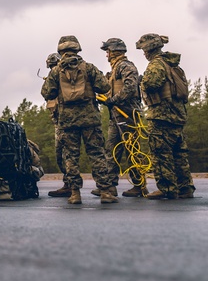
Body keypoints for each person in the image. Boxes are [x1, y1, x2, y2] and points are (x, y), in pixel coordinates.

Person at [41, 35, 116, 205]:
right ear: (77, 49)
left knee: (71, 157)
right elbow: (104, 87)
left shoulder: (55, 72)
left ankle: (75, 194)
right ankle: (105, 192)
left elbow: (47, 93)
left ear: (61, 51)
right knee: (97, 154)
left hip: (67, 121)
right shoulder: (89, 68)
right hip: (90, 118)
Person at [136, 33, 195, 200]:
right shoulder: (172, 63)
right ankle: (185, 187)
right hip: (177, 115)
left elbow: (151, 84)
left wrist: (141, 81)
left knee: (161, 153)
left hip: (161, 115)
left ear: (149, 48)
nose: (144, 53)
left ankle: (167, 188)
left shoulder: (156, 65)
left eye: (144, 50)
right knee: (179, 153)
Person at [99, 38, 147, 197]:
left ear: (114, 51)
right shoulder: (115, 69)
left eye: (108, 52)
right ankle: (109, 185)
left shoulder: (126, 66)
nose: (107, 56)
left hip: (128, 114)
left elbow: (130, 87)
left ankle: (139, 186)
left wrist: (113, 100)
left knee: (131, 149)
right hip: (116, 114)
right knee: (112, 149)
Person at [44, 52, 72, 197]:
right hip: (59, 122)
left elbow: (45, 92)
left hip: (67, 122)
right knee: (60, 156)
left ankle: (71, 185)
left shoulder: (66, 77)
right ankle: (69, 183)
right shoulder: (53, 78)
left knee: (67, 155)